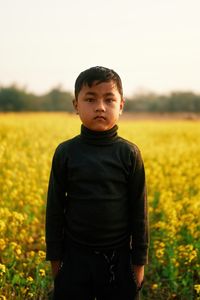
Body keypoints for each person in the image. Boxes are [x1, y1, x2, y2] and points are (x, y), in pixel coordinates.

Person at [45, 66, 149, 300]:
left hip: (119, 259)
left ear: (121, 105)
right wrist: (56, 263)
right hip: (74, 257)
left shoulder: (130, 153)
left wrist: (138, 265)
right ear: (76, 105)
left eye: (109, 100)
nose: (100, 107)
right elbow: (54, 210)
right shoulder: (66, 152)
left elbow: (139, 214)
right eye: (90, 99)